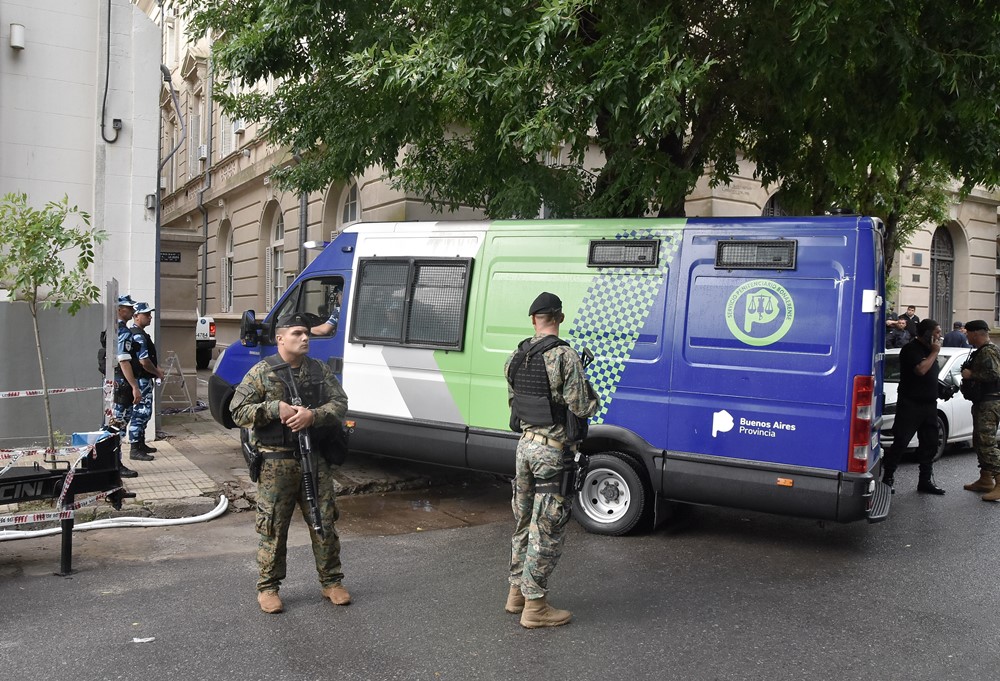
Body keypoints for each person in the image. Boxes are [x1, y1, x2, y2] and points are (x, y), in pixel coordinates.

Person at [230, 312, 351, 614]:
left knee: (324, 520)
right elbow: (237, 411)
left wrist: (314, 415)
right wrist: (274, 408)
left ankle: (331, 581)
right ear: (280, 338)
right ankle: (268, 588)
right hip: (275, 463)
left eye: (307, 332)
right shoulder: (261, 373)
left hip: (314, 458)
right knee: (272, 526)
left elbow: (340, 403)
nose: (305, 337)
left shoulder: (318, 370)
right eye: (297, 333)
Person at [504, 292, 600, 628]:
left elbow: (514, 404)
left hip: (524, 447)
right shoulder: (564, 355)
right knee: (546, 527)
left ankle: (516, 594)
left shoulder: (517, 355)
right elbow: (583, 406)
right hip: (550, 451)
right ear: (558, 318)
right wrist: (591, 393)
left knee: (523, 522)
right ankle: (536, 607)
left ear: (533, 319)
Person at [881, 318, 946, 495]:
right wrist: (934, 353)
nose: (939, 337)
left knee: (930, 443)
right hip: (910, 404)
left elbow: (930, 375)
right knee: (901, 441)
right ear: (926, 333)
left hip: (929, 404)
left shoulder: (930, 350)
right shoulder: (911, 349)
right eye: (936, 333)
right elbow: (921, 370)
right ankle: (887, 478)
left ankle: (924, 481)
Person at [960, 320, 1000, 500]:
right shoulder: (982, 351)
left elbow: (994, 374)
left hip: (990, 403)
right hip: (983, 402)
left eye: (968, 333)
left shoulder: (989, 351)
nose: (966, 336)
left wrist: (971, 375)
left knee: (987, 443)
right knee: (979, 441)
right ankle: (985, 479)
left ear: (976, 333)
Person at [125, 302, 164, 460]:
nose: (150, 317)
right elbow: (144, 361)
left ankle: (140, 443)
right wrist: (157, 373)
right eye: (146, 314)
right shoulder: (138, 335)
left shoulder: (140, 333)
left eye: (150, 314)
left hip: (144, 379)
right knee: (140, 413)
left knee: (145, 412)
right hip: (141, 379)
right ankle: (135, 449)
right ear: (136, 316)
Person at [110, 294, 140, 478]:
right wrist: (134, 386)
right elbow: (123, 360)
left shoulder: (112, 328)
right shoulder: (123, 331)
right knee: (117, 427)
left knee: (113, 426)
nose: (132, 311)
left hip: (115, 383)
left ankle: (112, 463)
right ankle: (115, 465)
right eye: (129, 308)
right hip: (122, 384)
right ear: (120, 310)